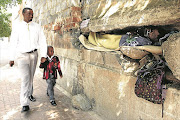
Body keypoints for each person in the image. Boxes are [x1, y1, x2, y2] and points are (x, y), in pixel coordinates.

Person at [9, 7, 47, 112]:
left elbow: (42, 40)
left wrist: (43, 55)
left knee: (31, 77)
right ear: (23, 14)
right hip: (22, 56)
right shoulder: (17, 27)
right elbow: (13, 42)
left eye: (32, 14)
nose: (31, 16)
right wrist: (11, 58)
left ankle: (29, 94)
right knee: (25, 78)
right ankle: (24, 103)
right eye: (29, 14)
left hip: (34, 55)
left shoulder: (37, 27)